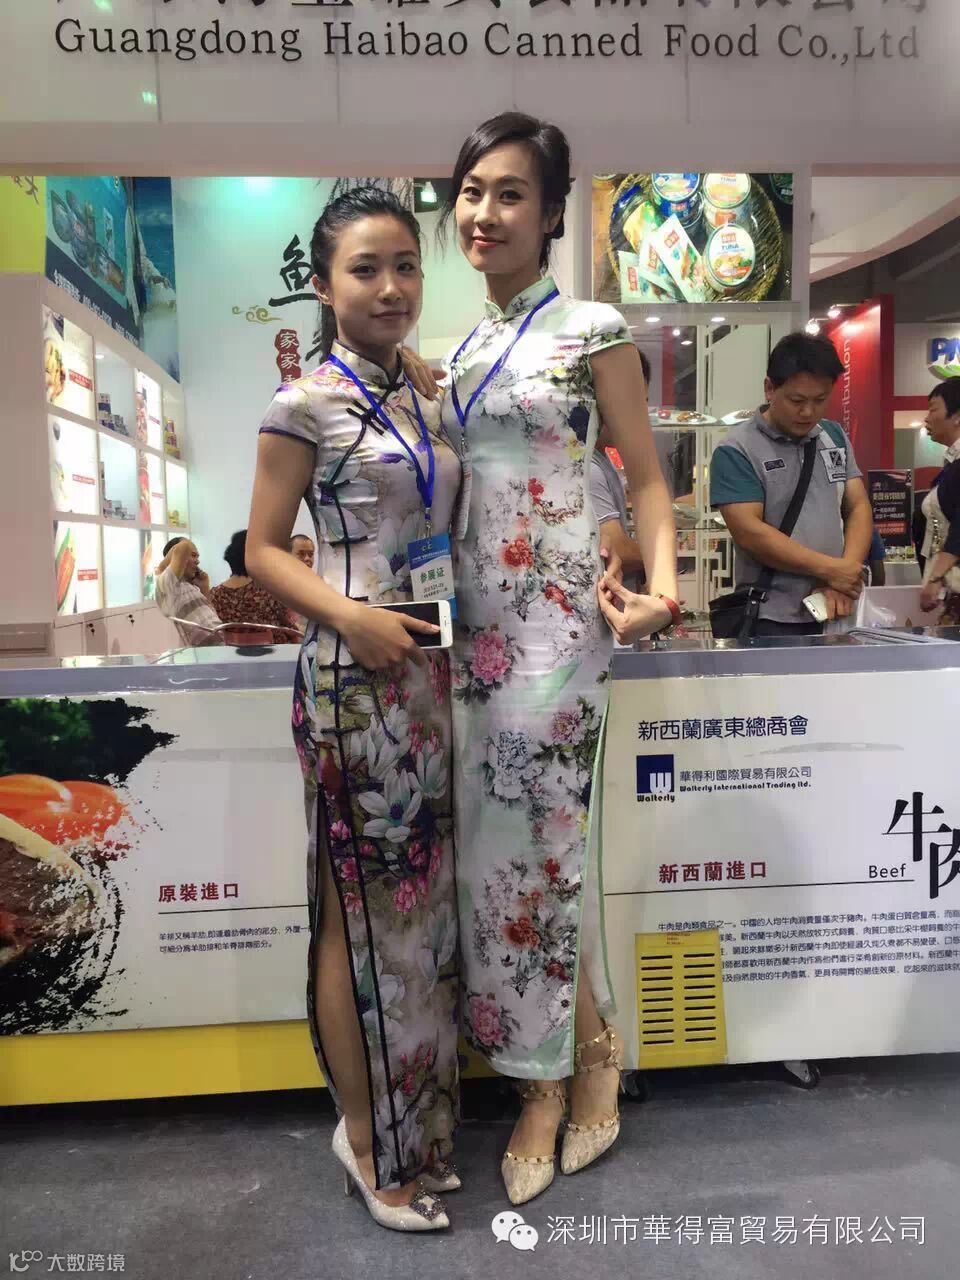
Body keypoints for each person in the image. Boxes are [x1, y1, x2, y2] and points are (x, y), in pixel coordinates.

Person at [439, 112, 678, 1205]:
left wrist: (664, 588)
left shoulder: (591, 327)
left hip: (555, 629)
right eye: (471, 191)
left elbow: (648, 476)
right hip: (474, 631)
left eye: (510, 195)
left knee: (540, 850)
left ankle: (543, 1090)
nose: (485, 213)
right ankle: (591, 1053)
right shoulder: (462, 350)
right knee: (511, 855)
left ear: (550, 214)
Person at [245, 187, 461, 1232]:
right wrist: (351, 618)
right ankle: (369, 1139)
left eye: (406, 265)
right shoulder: (301, 405)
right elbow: (260, 550)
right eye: (366, 269)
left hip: (426, 682)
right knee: (357, 917)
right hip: (349, 683)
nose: (390, 286)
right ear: (325, 286)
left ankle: (418, 1129)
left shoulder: (420, 395)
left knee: (416, 917)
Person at [709, 332, 873, 637]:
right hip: (771, 615)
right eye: (797, 401)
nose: (808, 412)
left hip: (835, 609)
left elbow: (857, 506)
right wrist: (830, 569)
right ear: (770, 388)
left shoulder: (832, 436)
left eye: (820, 400)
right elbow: (751, 533)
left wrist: (844, 575)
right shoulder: (737, 450)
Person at [591, 348, 651, 595]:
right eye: (632, 403)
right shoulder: (588, 468)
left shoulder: (601, 457)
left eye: (642, 403)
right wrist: (659, 557)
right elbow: (617, 549)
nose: (639, 414)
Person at [208, 530, 300, 643]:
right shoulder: (269, 588)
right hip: (275, 650)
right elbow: (288, 626)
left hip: (233, 651)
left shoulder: (215, 594)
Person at [919, 379, 960, 623]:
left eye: (933, 409)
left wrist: (935, 577)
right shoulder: (952, 464)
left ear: (957, 416)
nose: (927, 419)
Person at [154, 537, 222, 646]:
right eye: (193, 555)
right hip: (206, 650)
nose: (198, 561)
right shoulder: (167, 584)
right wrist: (162, 567)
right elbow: (183, 547)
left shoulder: (192, 587)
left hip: (221, 643)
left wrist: (204, 587)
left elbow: (211, 617)